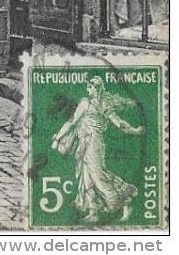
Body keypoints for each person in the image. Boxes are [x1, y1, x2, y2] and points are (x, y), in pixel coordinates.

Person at [51, 77, 145, 223]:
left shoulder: (93, 104)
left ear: (97, 89)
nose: (88, 90)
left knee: (97, 175)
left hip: (93, 143)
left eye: (90, 87)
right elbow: (119, 124)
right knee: (86, 176)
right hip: (84, 143)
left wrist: (134, 131)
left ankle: (123, 202)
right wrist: (134, 130)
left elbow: (119, 123)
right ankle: (93, 211)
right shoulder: (96, 103)